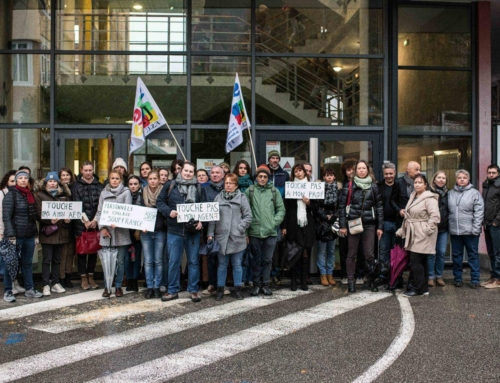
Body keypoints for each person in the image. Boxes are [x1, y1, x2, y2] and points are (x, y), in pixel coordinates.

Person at [157, 161, 206, 303]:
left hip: (192, 232)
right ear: (180, 171)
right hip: (174, 230)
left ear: (194, 173)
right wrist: (168, 211)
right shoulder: (170, 185)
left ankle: (193, 290)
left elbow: (204, 207)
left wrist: (201, 222)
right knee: (173, 262)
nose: (188, 173)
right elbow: (160, 202)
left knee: (193, 262)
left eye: (191, 171)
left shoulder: (198, 187)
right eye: (186, 171)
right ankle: (172, 290)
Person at [338, 160, 383, 293]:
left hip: (369, 224)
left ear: (367, 170)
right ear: (356, 171)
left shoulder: (373, 186)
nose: (362, 170)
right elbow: (341, 207)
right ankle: (351, 282)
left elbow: (379, 207)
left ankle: (371, 281)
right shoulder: (349, 185)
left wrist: (380, 227)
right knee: (351, 254)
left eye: (364, 168)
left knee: (369, 254)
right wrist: (342, 225)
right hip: (353, 223)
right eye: (359, 168)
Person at [208, 173, 252, 300]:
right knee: (222, 264)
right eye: (226, 183)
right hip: (221, 238)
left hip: (237, 237)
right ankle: (220, 289)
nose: (228, 185)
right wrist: (210, 234)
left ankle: (238, 290)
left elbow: (248, 216)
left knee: (237, 264)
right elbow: (212, 218)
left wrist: (239, 228)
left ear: (236, 185)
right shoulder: (218, 198)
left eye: (231, 183)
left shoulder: (242, 197)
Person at [396, 174, 440, 297]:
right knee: (422, 261)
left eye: (420, 182)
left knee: (415, 261)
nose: (417, 185)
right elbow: (409, 217)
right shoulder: (413, 196)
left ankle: (418, 288)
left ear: (425, 185)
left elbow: (435, 216)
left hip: (423, 233)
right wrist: (402, 230)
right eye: (415, 182)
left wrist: (427, 230)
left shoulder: (429, 198)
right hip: (414, 232)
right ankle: (423, 288)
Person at [2, 170, 43, 301]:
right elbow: (6, 217)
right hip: (16, 236)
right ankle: (8, 291)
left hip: (29, 235)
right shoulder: (11, 195)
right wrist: (11, 235)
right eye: (21, 178)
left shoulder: (30, 195)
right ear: (17, 181)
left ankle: (29, 289)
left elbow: (33, 218)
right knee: (11, 264)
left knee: (27, 264)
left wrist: (36, 235)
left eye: (26, 178)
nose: (23, 180)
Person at [245, 165, 286, 296]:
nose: (262, 179)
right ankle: (256, 284)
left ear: (268, 178)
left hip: (270, 231)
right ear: (256, 177)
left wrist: (273, 223)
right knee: (256, 259)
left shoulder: (274, 191)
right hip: (254, 231)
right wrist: (247, 230)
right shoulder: (250, 191)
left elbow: (281, 210)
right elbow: (244, 211)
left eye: (265, 177)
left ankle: (266, 284)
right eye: (260, 176)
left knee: (268, 259)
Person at [95, 170, 132, 297]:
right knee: (107, 261)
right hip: (107, 233)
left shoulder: (126, 192)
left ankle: (118, 286)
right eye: (112, 178)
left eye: (117, 178)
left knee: (120, 261)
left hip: (121, 232)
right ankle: (107, 287)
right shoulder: (103, 193)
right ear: (109, 180)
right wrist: (102, 228)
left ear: (121, 180)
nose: (115, 180)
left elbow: (128, 211)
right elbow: (99, 212)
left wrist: (120, 222)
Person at [281, 164, 318, 291]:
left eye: (300, 171)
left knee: (305, 253)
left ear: (304, 172)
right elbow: (285, 208)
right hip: (293, 223)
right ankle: (293, 281)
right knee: (294, 252)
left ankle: (304, 280)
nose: (298, 173)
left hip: (307, 224)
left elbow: (317, 207)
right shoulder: (290, 186)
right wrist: (284, 226)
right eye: (295, 171)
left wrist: (309, 203)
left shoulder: (311, 186)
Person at [35, 172, 71, 296]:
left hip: (61, 233)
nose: (52, 183)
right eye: (50, 181)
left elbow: (69, 212)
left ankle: (55, 283)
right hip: (48, 234)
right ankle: (46, 284)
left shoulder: (64, 195)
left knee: (57, 260)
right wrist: (49, 220)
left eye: (54, 181)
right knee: (46, 260)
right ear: (46, 183)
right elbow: (38, 213)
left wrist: (67, 221)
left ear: (57, 182)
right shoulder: (40, 195)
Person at [448, 169, 484, 288]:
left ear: (468, 179)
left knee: (472, 255)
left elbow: (479, 212)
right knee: (457, 256)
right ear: (456, 179)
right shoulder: (450, 193)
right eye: (459, 177)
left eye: (464, 177)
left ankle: (475, 279)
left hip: (470, 231)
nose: (462, 179)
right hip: (455, 231)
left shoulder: (475, 193)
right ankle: (457, 278)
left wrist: (475, 229)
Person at [72, 161, 104, 290]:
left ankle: (91, 276)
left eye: (90, 170)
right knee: (81, 252)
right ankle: (83, 278)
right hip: (81, 225)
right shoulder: (76, 186)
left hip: (95, 223)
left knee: (93, 251)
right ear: (81, 170)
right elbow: (76, 204)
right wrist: (85, 221)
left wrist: (96, 219)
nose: (88, 172)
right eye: (86, 170)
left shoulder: (100, 186)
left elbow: (101, 205)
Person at [137, 171, 167, 299]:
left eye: (155, 178)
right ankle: (149, 286)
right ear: (147, 180)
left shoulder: (164, 192)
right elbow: (138, 211)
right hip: (146, 232)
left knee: (158, 261)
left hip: (160, 230)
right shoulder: (142, 192)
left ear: (159, 180)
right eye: (150, 179)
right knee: (148, 261)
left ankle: (157, 286)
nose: (153, 181)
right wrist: (140, 225)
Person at [201, 165, 227, 296]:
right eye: (213, 173)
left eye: (218, 173)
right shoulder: (204, 189)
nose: (215, 175)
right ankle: (212, 283)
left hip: (225, 228)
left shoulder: (227, 188)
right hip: (209, 228)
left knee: (224, 256)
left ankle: (223, 284)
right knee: (211, 256)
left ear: (223, 175)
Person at [338, 158, 361, 286]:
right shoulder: (342, 185)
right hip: (345, 219)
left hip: (357, 218)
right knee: (344, 248)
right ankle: (344, 274)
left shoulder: (361, 184)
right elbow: (340, 206)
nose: (351, 172)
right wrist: (342, 224)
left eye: (353, 169)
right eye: (348, 169)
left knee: (359, 248)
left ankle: (359, 273)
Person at [316, 168, 339, 286]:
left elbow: (341, 205)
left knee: (331, 251)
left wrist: (333, 216)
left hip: (334, 223)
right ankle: (323, 274)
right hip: (322, 222)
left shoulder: (338, 189)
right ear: (324, 177)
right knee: (322, 251)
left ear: (334, 177)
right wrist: (325, 216)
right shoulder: (319, 188)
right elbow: (317, 206)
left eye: (331, 175)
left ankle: (330, 273)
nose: (329, 177)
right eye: (327, 175)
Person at [377, 162, 398, 286]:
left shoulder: (399, 186)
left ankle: (394, 276)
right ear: (383, 174)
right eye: (386, 174)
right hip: (383, 223)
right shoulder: (378, 186)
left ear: (395, 173)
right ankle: (383, 275)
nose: (389, 176)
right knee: (383, 251)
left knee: (395, 252)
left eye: (391, 173)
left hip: (396, 224)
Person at [428, 171, 449, 287]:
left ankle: (439, 276)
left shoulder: (448, 193)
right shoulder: (428, 192)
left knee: (441, 252)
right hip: (432, 228)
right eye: (439, 177)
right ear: (434, 179)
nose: (441, 180)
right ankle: (430, 277)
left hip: (444, 228)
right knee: (431, 253)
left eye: (443, 178)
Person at [481, 164, 500, 288]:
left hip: (496, 224)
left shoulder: (498, 186)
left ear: (498, 173)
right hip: (487, 224)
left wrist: (496, 221)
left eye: (493, 172)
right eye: (489, 172)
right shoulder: (486, 185)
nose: (491, 174)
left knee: (498, 253)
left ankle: (498, 279)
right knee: (491, 253)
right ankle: (493, 276)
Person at [58, 167, 76, 288]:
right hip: (61, 226)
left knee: (70, 253)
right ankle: (61, 277)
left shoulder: (74, 188)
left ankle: (68, 275)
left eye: (67, 175)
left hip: (73, 226)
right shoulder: (57, 190)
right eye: (63, 175)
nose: (65, 177)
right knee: (62, 254)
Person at [0, 170, 17, 292]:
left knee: (11, 260)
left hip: (14, 233)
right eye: (12, 181)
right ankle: (8, 288)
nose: (15, 183)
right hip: (3, 233)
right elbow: (1, 215)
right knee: (5, 261)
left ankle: (12, 284)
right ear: (7, 182)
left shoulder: (20, 194)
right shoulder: (1, 194)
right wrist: (1, 231)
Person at [126, 175, 143, 293]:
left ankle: (135, 280)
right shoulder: (124, 196)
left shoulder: (142, 197)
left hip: (138, 231)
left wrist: (139, 229)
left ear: (139, 185)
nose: (133, 186)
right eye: (131, 184)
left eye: (135, 184)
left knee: (136, 257)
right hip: (126, 231)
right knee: (127, 257)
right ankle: (129, 280)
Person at [391, 161, 421, 225]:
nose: (419, 172)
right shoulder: (398, 182)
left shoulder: (422, 183)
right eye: (416, 170)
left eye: (419, 170)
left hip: (418, 220)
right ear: (408, 169)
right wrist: (399, 210)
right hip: (403, 220)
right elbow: (392, 200)